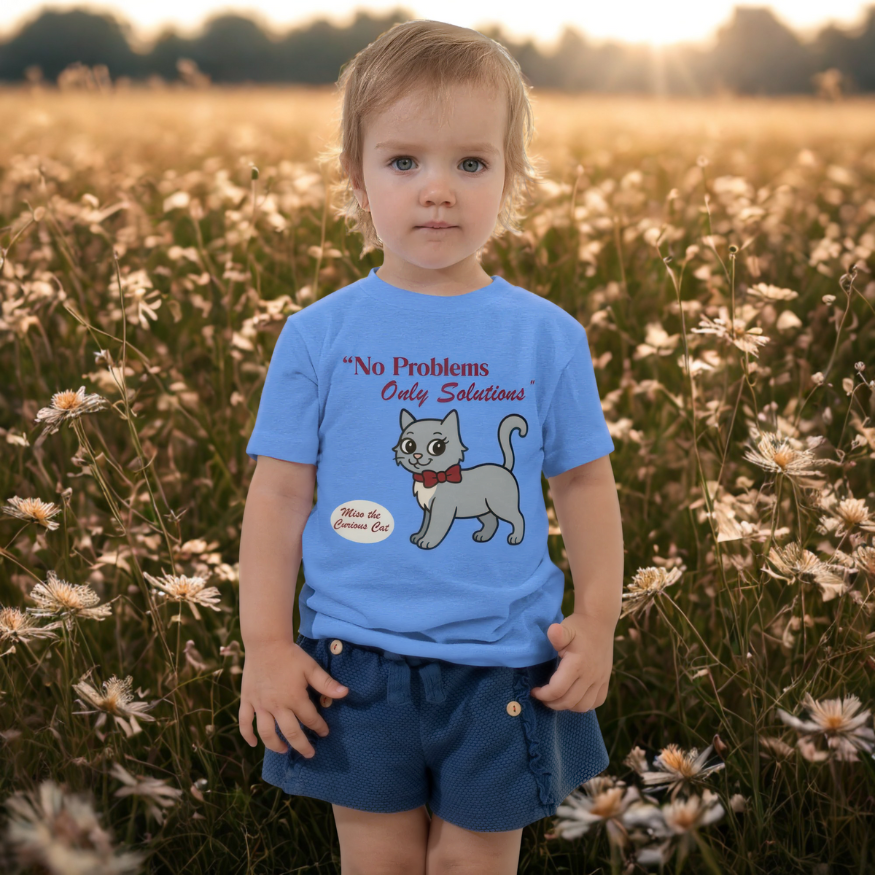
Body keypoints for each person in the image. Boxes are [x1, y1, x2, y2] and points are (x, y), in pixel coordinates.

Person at [238, 19, 624, 875]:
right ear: (356, 177)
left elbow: (586, 486)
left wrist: (596, 620)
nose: (437, 190)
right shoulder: (316, 335)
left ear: (510, 180)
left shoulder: (547, 338)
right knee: (374, 862)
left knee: (471, 865)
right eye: (404, 161)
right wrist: (266, 645)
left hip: (504, 663)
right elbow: (276, 497)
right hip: (353, 664)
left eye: (471, 163)